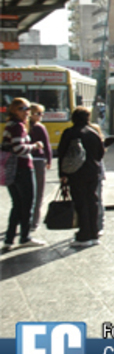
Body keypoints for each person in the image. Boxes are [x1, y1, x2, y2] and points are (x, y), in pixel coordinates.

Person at [2, 98, 46, 251]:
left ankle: (9, 239)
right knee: (27, 204)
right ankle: (25, 237)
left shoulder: (9, 125)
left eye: (27, 108)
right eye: (23, 108)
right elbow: (19, 148)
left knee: (17, 205)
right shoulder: (18, 126)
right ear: (15, 110)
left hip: (11, 170)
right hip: (22, 168)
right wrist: (35, 146)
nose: (27, 111)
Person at [58, 106, 105, 247]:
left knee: (80, 202)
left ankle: (83, 235)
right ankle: (94, 233)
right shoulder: (93, 133)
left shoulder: (69, 133)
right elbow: (100, 153)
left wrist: (63, 174)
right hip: (92, 171)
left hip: (76, 173)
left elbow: (62, 155)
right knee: (92, 201)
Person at [29, 103, 53, 232]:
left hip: (24, 161)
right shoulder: (40, 127)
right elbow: (46, 145)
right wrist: (49, 159)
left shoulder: (23, 126)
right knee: (39, 192)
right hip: (38, 160)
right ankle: (34, 222)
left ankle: (24, 220)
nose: (41, 116)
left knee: (27, 192)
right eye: (38, 113)